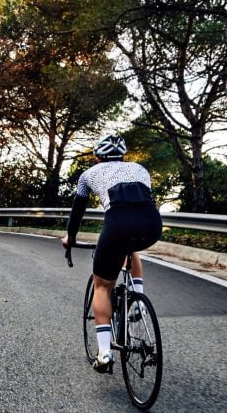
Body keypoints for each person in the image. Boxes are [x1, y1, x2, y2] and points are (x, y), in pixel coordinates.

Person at [61, 134, 162, 373]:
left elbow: (77, 211)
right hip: (152, 225)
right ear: (123, 155)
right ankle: (138, 301)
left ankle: (104, 353)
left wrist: (70, 239)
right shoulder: (140, 169)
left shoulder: (88, 175)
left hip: (117, 224)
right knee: (131, 248)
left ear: (97, 157)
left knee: (103, 287)